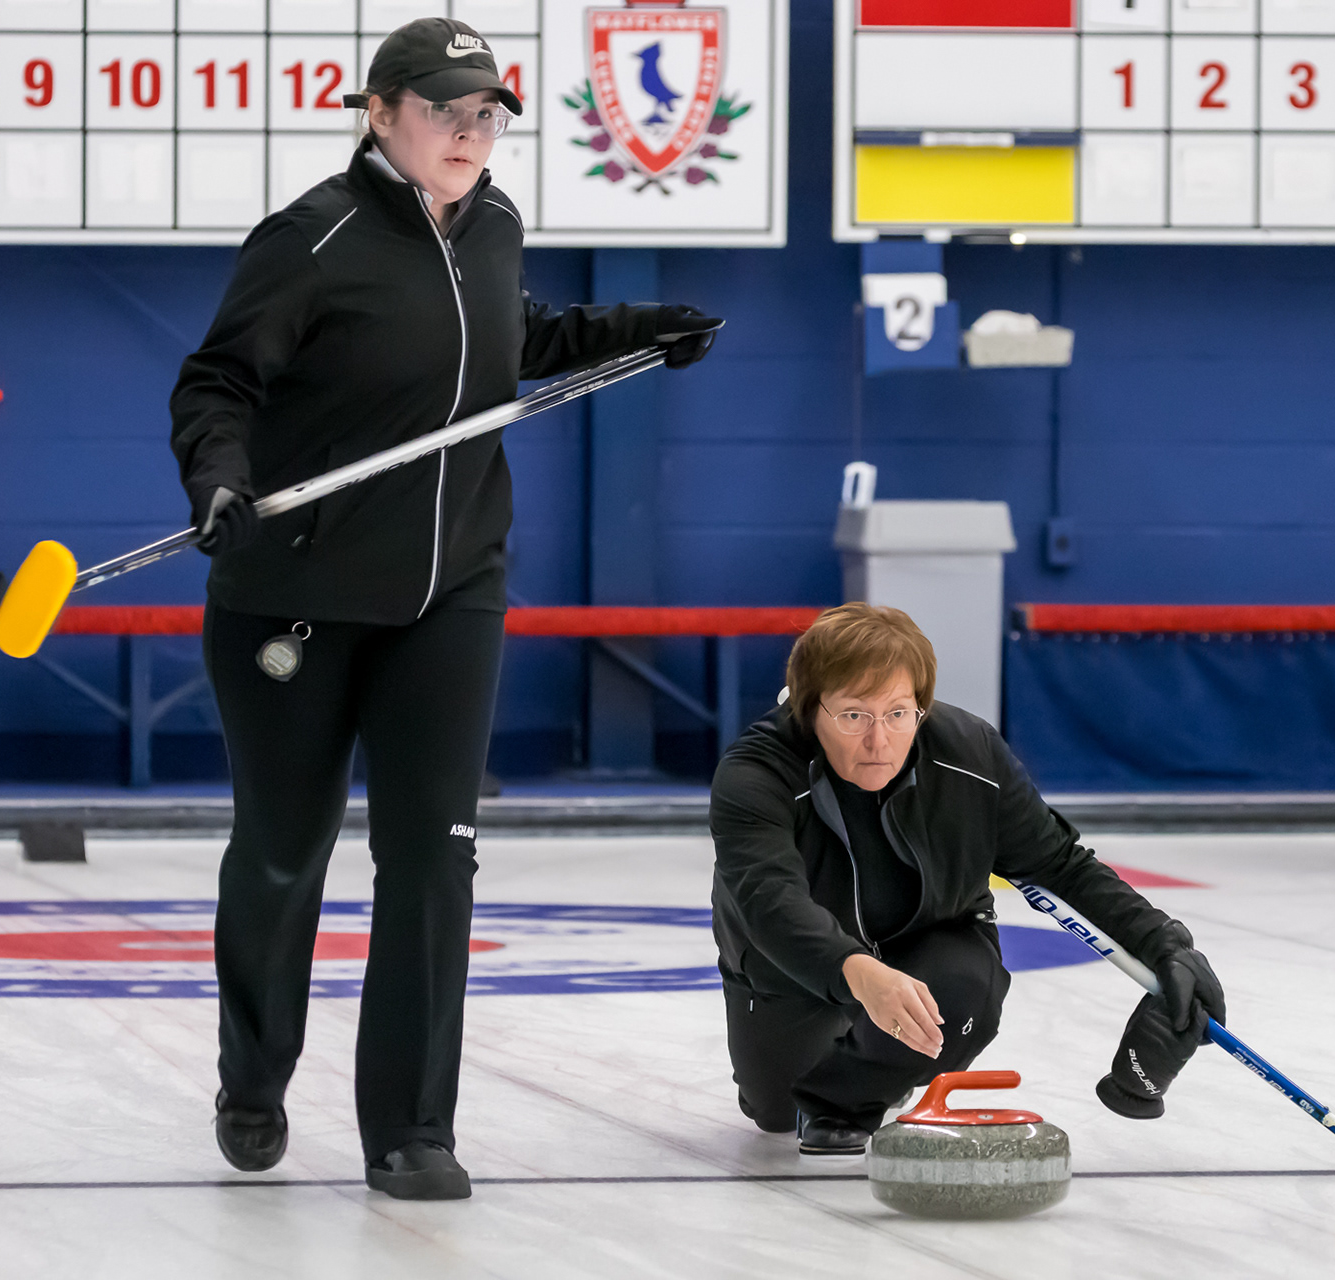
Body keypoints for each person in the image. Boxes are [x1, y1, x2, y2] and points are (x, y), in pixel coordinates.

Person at [169, 17, 722, 1200]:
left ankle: (412, 1127)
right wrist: (217, 477)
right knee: (283, 848)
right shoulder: (311, 239)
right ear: (380, 113)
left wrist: (639, 330)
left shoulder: (495, 224)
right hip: (296, 593)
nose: (470, 131)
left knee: (436, 855)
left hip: (452, 589)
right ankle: (253, 1078)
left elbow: (509, 342)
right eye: (443, 109)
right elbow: (219, 382)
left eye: (486, 113)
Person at [708, 603, 1228, 1156]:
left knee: (962, 992)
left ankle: (850, 1099)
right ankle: (843, 1058)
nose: (879, 741)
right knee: (776, 1111)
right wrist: (859, 972)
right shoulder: (755, 774)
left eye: (898, 713)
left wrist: (1163, 943)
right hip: (792, 965)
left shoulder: (971, 754)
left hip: (928, 940)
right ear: (810, 706)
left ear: (922, 705)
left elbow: (1060, 864)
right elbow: (770, 900)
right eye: (854, 716)